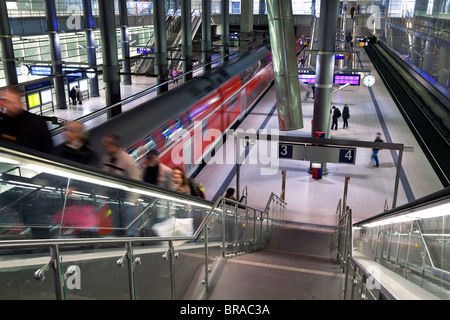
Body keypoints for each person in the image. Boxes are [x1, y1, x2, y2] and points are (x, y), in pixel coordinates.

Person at [0, 87, 54, 154]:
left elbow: (49, 151)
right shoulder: (3, 123)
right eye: (7, 102)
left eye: (12, 102)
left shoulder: (37, 123)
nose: (10, 106)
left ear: (19, 103)